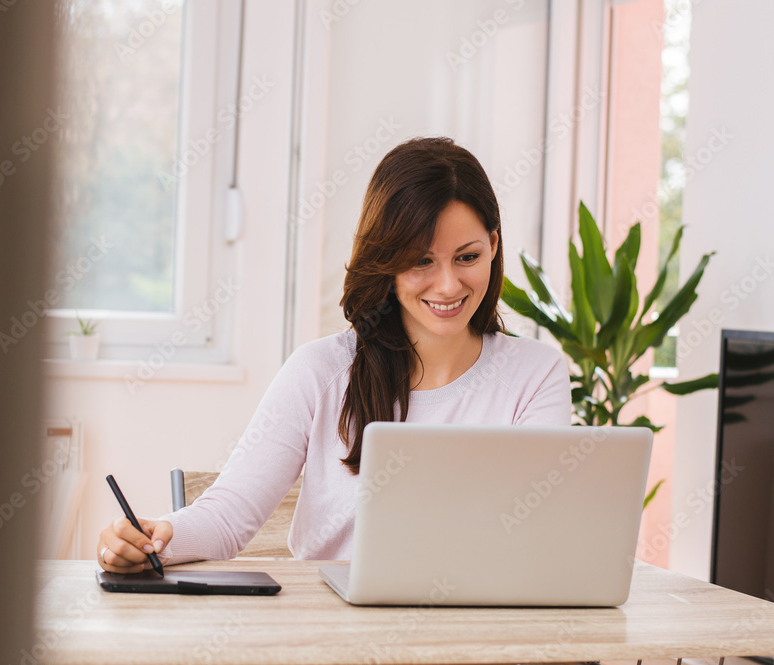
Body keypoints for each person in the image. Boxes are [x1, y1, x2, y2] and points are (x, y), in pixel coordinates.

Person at [97, 136, 570, 574]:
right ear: (385, 261)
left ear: (494, 246)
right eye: (421, 260)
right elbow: (229, 516)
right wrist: (160, 537)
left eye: (467, 257)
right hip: (334, 635)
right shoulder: (321, 371)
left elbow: (541, 534)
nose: (448, 284)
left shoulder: (535, 374)